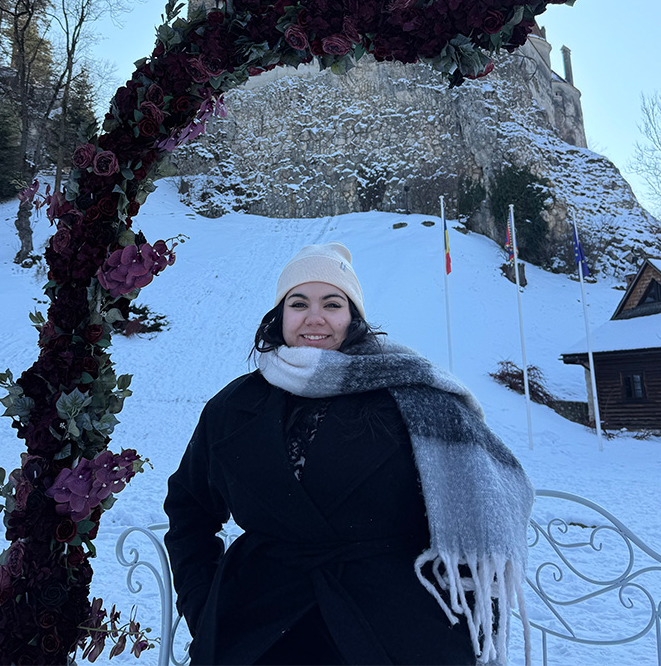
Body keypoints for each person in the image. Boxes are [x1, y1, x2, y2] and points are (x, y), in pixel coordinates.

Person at [164, 243, 533, 666]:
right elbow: (189, 511)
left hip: (391, 626)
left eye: (332, 304)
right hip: (256, 623)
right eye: (298, 303)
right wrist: (204, 605)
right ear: (280, 315)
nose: (314, 317)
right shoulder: (232, 406)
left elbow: (483, 505)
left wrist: (462, 630)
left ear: (353, 317)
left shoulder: (414, 397)